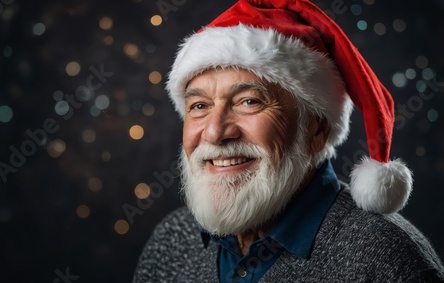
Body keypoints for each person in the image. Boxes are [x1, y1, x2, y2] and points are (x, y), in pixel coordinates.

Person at [134, 0, 444, 282]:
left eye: (249, 102)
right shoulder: (172, 240)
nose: (215, 132)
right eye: (199, 106)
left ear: (316, 129)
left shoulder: (386, 259)